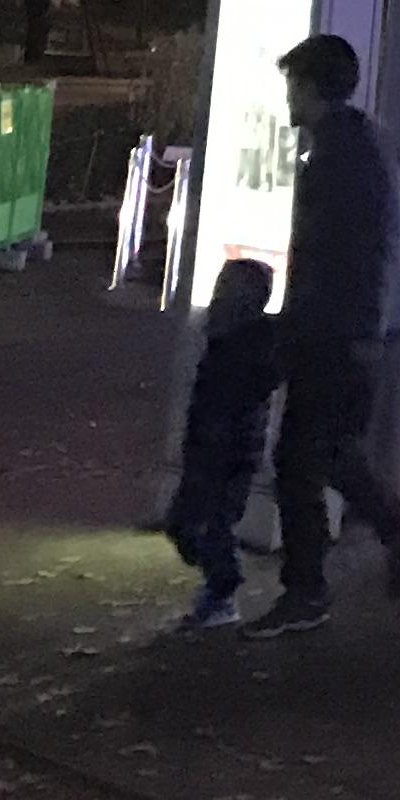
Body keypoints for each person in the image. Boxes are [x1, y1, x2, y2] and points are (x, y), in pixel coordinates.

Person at [248, 33, 400, 633]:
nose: (288, 99)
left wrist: (294, 329)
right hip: (351, 329)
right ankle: (388, 531)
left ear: (311, 87)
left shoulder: (337, 159)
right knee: (329, 452)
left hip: (331, 332)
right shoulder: (358, 146)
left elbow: (326, 256)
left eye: (293, 85)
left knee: (300, 459)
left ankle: (310, 588)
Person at [161, 256, 283, 631]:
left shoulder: (243, 342)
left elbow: (233, 398)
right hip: (214, 448)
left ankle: (221, 592)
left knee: (207, 524)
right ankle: (220, 588)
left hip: (226, 452)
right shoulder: (231, 338)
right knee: (195, 523)